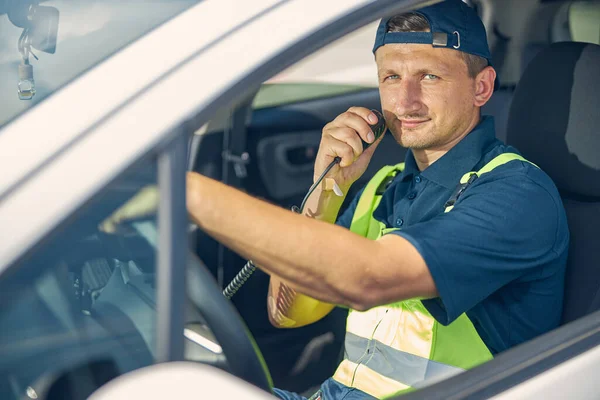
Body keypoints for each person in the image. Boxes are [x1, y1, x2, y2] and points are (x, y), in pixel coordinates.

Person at [106, 1, 569, 399]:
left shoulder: (517, 195)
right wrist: (328, 190)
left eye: (429, 76)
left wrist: (186, 193)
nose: (404, 101)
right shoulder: (383, 183)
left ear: (481, 87)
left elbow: (366, 277)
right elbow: (286, 314)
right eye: (391, 76)